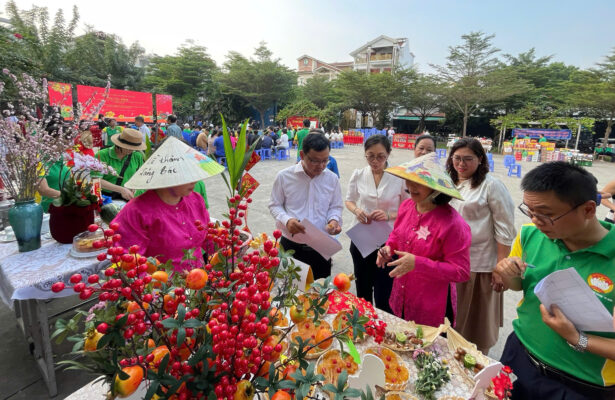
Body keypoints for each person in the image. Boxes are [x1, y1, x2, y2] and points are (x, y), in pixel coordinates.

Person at [494, 162, 615, 400]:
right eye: (529, 211)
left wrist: (576, 338)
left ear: (589, 210)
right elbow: (521, 287)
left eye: (547, 214)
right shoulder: (530, 235)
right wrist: (506, 272)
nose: (536, 220)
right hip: (518, 356)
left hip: (578, 384)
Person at [376, 152, 471, 327]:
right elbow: (396, 234)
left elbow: (461, 271)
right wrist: (389, 247)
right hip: (401, 295)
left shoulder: (453, 223)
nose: (411, 187)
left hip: (431, 306)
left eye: (419, 182)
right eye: (409, 180)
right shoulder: (406, 206)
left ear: (436, 188)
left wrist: (418, 263)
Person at [446, 137, 516, 354]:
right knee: (452, 322)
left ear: (480, 160)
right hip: (451, 262)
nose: (461, 164)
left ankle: (477, 365)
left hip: (481, 265)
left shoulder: (491, 185)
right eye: (457, 158)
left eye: (468, 159)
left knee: (478, 325)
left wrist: (500, 267)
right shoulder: (449, 182)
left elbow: (504, 228)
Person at [113, 137, 212, 272]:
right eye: (186, 172)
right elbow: (128, 263)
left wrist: (229, 253)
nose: (194, 178)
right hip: (160, 288)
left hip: (198, 280)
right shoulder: (137, 211)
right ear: (166, 173)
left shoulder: (196, 200)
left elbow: (208, 239)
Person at [346, 134, 408, 313]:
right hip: (362, 239)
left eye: (380, 156)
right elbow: (349, 201)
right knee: (363, 289)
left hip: (389, 241)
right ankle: (364, 327)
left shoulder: (399, 177)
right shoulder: (359, 174)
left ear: (389, 153)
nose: (375, 161)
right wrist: (357, 211)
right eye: (370, 156)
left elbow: (409, 208)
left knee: (384, 293)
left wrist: (389, 215)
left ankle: (384, 331)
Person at [269, 133, 343, 279]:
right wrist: (287, 220)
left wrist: (333, 220)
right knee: (290, 294)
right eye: (315, 161)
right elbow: (274, 205)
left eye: (325, 160)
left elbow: (335, 206)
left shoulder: (332, 179)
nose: (321, 166)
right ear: (302, 155)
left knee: (319, 294)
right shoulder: (284, 177)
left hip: (321, 247)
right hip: (291, 246)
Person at [95, 128, 145, 201]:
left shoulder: (137, 156)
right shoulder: (102, 155)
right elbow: (96, 180)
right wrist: (121, 189)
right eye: (128, 148)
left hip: (128, 198)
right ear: (119, 144)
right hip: (105, 197)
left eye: (134, 148)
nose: (131, 150)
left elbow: (140, 176)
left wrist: (134, 186)